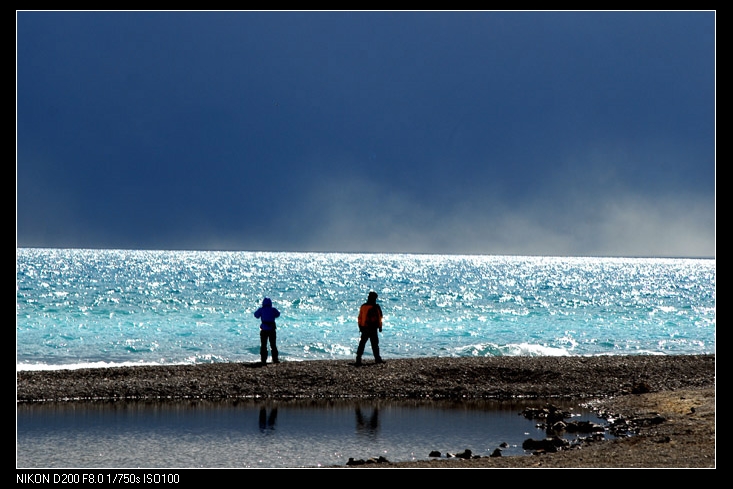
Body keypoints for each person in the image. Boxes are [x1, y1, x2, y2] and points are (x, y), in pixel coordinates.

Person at [356, 291, 385, 366]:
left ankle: (358, 359)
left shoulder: (363, 306)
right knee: (375, 344)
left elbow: (360, 317)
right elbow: (379, 317)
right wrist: (380, 326)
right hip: (373, 328)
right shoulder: (376, 307)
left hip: (364, 328)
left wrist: (360, 326)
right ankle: (377, 358)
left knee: (362, 343)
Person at [254, 297, 280, 365]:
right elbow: (278, 314)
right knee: (273, 345)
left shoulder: (261, 310)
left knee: (263, 345)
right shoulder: (273, 310)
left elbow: (256, 315)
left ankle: (263, 360)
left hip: (264, 329)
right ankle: (275, 359)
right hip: (272, 329)